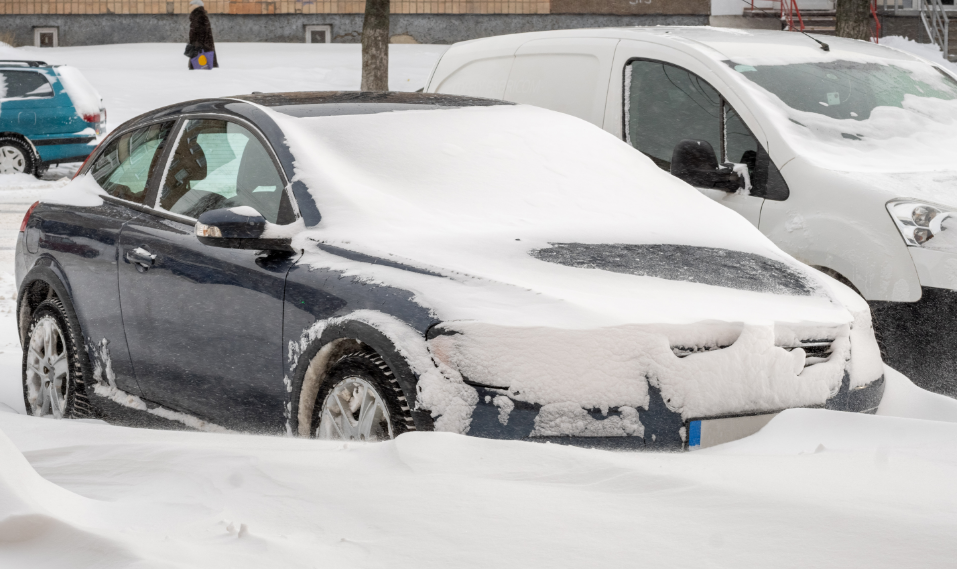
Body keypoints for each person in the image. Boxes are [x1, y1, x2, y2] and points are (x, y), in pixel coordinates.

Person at [187, 0, 219, 69]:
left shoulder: (200, 16)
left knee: (200, 64)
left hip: (201, 44)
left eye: (191, 5)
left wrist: (197, 44)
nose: (189, 7)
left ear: (196, 6)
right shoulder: (198, 15)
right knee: (198, 62)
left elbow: (202, 32)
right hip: (200, 43)